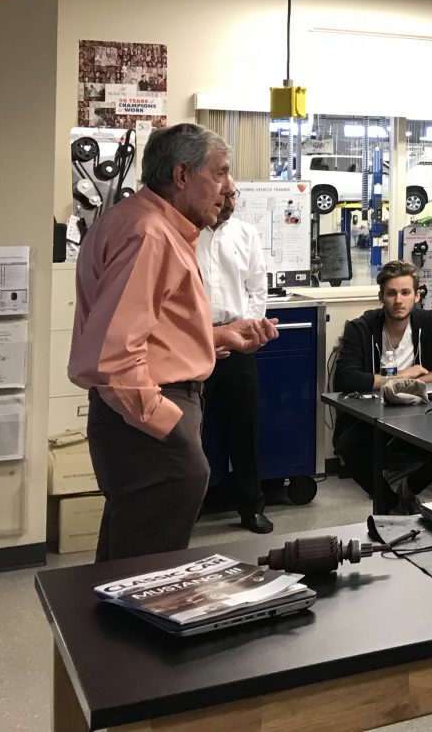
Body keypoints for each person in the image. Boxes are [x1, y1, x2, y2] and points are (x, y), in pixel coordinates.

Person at [69, 123, 278, 562]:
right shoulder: (150, 234)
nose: (229, 188)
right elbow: (115, 355)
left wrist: (214, 337)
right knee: (145, 573)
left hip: (135, 416)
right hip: (148, 417)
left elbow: (144, 330)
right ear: (182, 175)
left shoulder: (136, 221)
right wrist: (168, 425)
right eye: (220, 173)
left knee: (127, 560)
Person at [332, 260, 432, 511]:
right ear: (381, 296)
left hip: (422, 414)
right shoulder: (361, 328)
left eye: (405, 292)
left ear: (417, 296)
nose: (398, 300)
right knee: (349, 446)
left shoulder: (429, 322)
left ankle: (408, 489)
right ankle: (391, 503)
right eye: (391, 293)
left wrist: (411, 383)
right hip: (373, 415)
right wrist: (398, 377)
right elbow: (345, 378)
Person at [197, 190, 272, 534]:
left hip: (239, 343)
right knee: (189, 431)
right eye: (220, 195)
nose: (227, 202)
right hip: (195, 342)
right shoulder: (186, 234)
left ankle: (251, 507)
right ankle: (189, 506)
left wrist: (248, 331)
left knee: (244, 429)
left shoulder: (246, 234)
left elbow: (258, 289)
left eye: (231, 196)